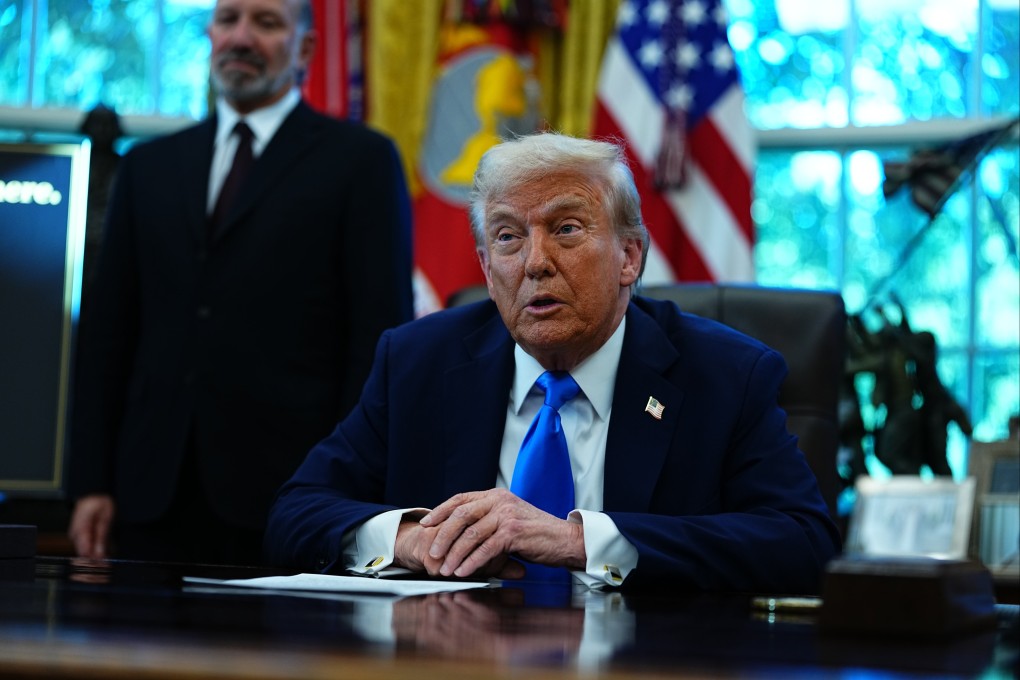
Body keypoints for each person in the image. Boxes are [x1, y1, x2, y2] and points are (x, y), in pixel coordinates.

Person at [265, 133, 841, 593]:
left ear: (629, 256)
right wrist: (412, 539)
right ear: (487, 270)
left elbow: (802, 543)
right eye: (508, 237)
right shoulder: (417, 362)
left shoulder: (725, 375)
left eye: (566, 229)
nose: (535, 262)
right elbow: (296, 512)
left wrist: (579, 542)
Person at [66, 0, 413, 565]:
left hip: (294, 498)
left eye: (267, 23)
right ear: (210, 34)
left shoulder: (361, 161)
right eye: (228, 20)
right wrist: (90, 481)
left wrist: (352, 492)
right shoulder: (148, 167)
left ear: (304, 48)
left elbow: (378, 340)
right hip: (148, 494)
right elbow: (108, 334)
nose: (241, 37)